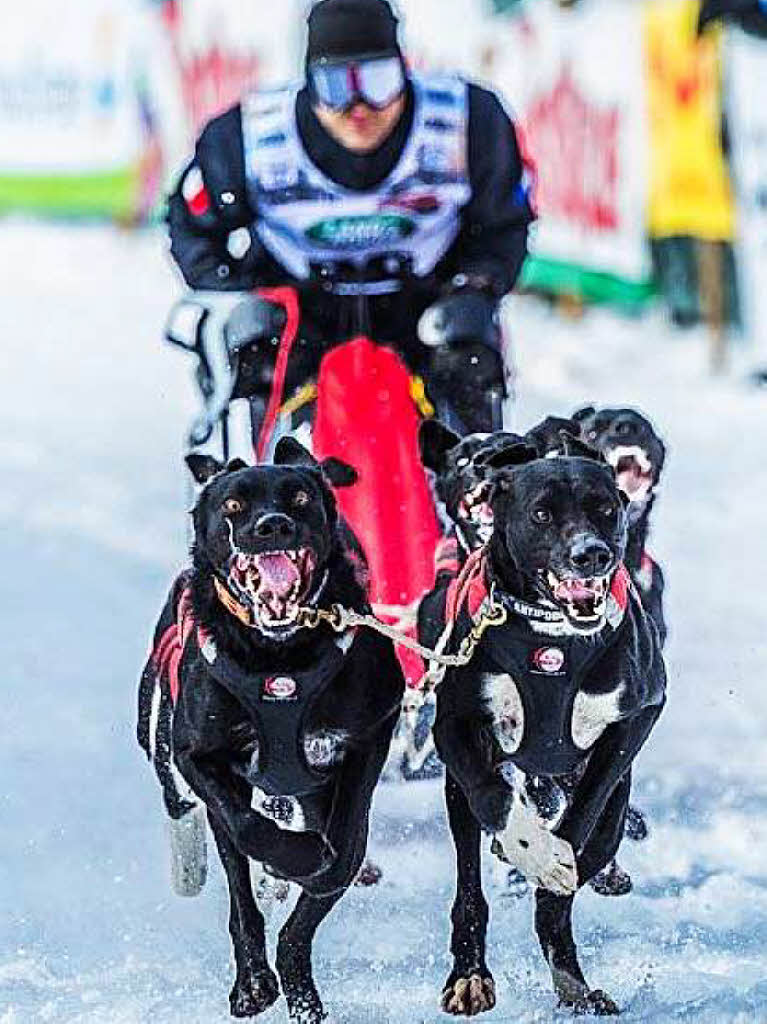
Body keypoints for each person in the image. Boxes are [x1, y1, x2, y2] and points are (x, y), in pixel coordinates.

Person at [167, 0, 535, 435]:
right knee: (251, 341)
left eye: (378, 81)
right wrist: (241, 294)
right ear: (308, 83)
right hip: (301, 312)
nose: (359, 107)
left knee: (467, 346)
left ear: (404, 69)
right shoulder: (247, 138)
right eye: (336, 86)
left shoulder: (468, 121)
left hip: (424, 302)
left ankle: (474, 482)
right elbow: (190, 227)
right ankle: (254, 483)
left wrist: (478, 283)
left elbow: (504, 224)